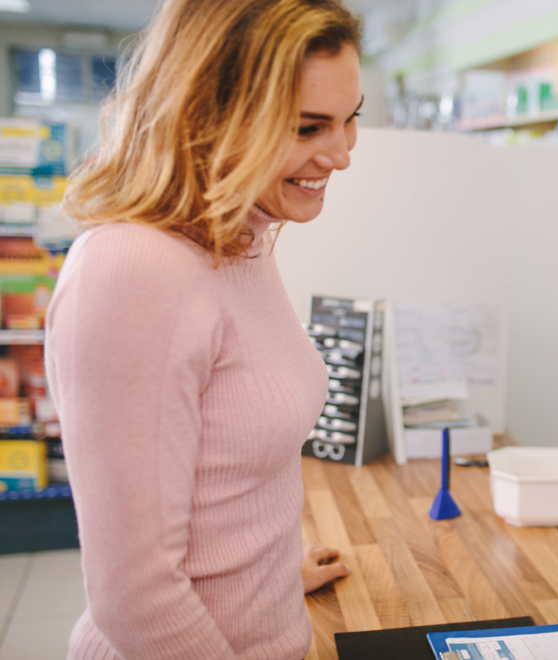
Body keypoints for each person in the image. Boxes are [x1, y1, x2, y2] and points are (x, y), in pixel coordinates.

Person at [45, 0, 363, 657]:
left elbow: (218, 481)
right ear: (209, 114)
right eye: (308, 127)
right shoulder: (130, 269)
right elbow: (135, 594)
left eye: (349, 119)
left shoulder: (244, 237)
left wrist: (270, 583)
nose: (341, 154)